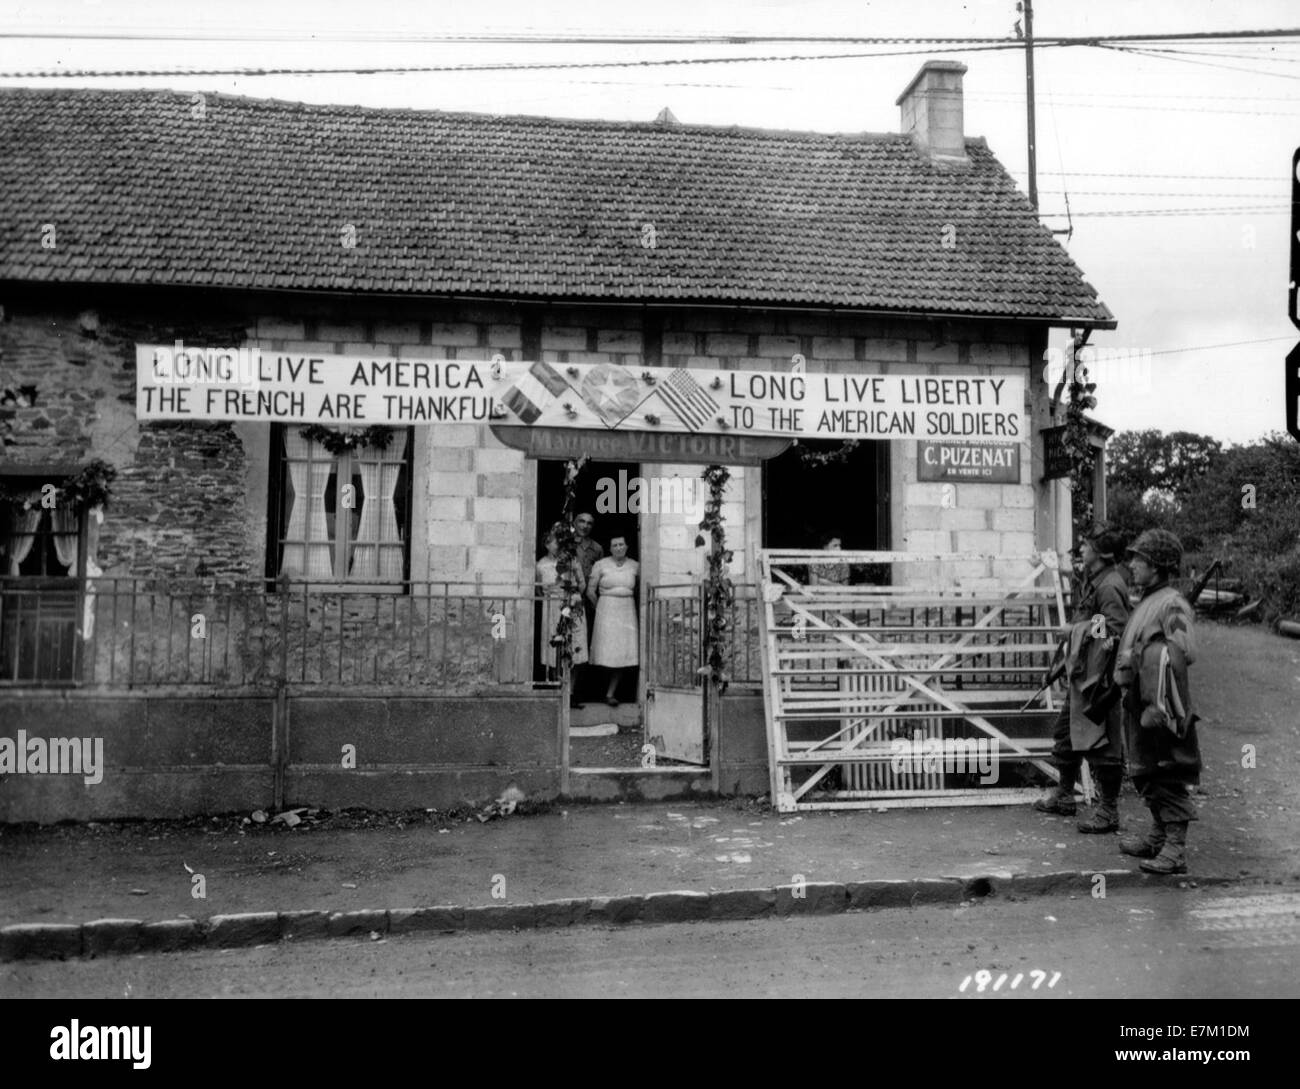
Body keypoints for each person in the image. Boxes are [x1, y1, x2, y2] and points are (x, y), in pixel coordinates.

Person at [1033, 523, 1131, 833]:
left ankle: (1109, 811)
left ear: (1101, 554)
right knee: (1065, 734)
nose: (1082, 549)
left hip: (1100, 680)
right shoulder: (1094, 580)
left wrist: (1076, 630)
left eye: (1087, 545)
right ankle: (1064, 796)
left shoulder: (1110, 585)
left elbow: (1116, 630)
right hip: (1083, 672)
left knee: (1103, 744)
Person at [1113, 528, 1201, 875]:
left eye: (1141, 560)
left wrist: (1138, 656)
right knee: (1146, 772)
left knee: (1167, 773)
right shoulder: (1147, 601)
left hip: (1162, 704)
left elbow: (1183, 652)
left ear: (1158, 567)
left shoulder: (1172, 603)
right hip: (1140, 701)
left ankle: (1175, 849)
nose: (1133, 565)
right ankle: (1157, 835)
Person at [536, 525, 588, 709]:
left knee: (575, 646)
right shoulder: (540, 565)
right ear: (546, 544)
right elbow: (538, 589)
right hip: (551, 606)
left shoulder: (571, 560)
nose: (556, 544)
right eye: (552, 541)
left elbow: (581, 583)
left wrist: (573, 597)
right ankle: (556, 689)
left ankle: (571, 692)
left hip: (572, 603)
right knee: (554, 647)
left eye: (558, 540)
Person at [587, 534, 639, 707]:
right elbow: (590, 591)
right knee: (604, 651)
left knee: (622, 653)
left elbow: (641, 589)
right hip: (607, 609)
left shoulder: (635, 566)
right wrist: (600, 609)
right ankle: (594, 691)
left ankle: (611, 693)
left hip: (626, 611)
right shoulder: (600, 565)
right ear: (609, 548)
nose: (618, 548)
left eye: (621, 544)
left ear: (626, 546)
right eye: (614, 545)